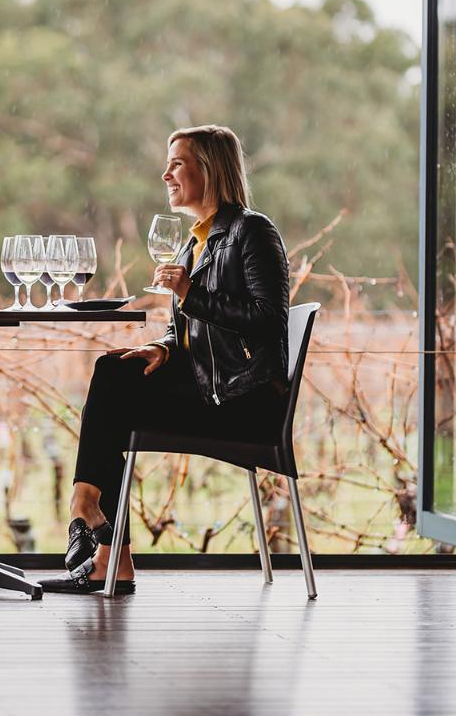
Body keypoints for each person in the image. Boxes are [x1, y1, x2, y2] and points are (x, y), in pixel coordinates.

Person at [40, 125, 290, 594]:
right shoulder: (195, 241)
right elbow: (189, 330)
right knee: (115, 369)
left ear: (210, 169)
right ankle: (103, 540)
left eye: (177, 163)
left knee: (113, 391)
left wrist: (189, 292)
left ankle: (97, 532)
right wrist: (165, 347)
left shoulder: (251, 231)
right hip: (206, 386)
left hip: (245, 401)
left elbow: (267, 320)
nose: (165, 174)